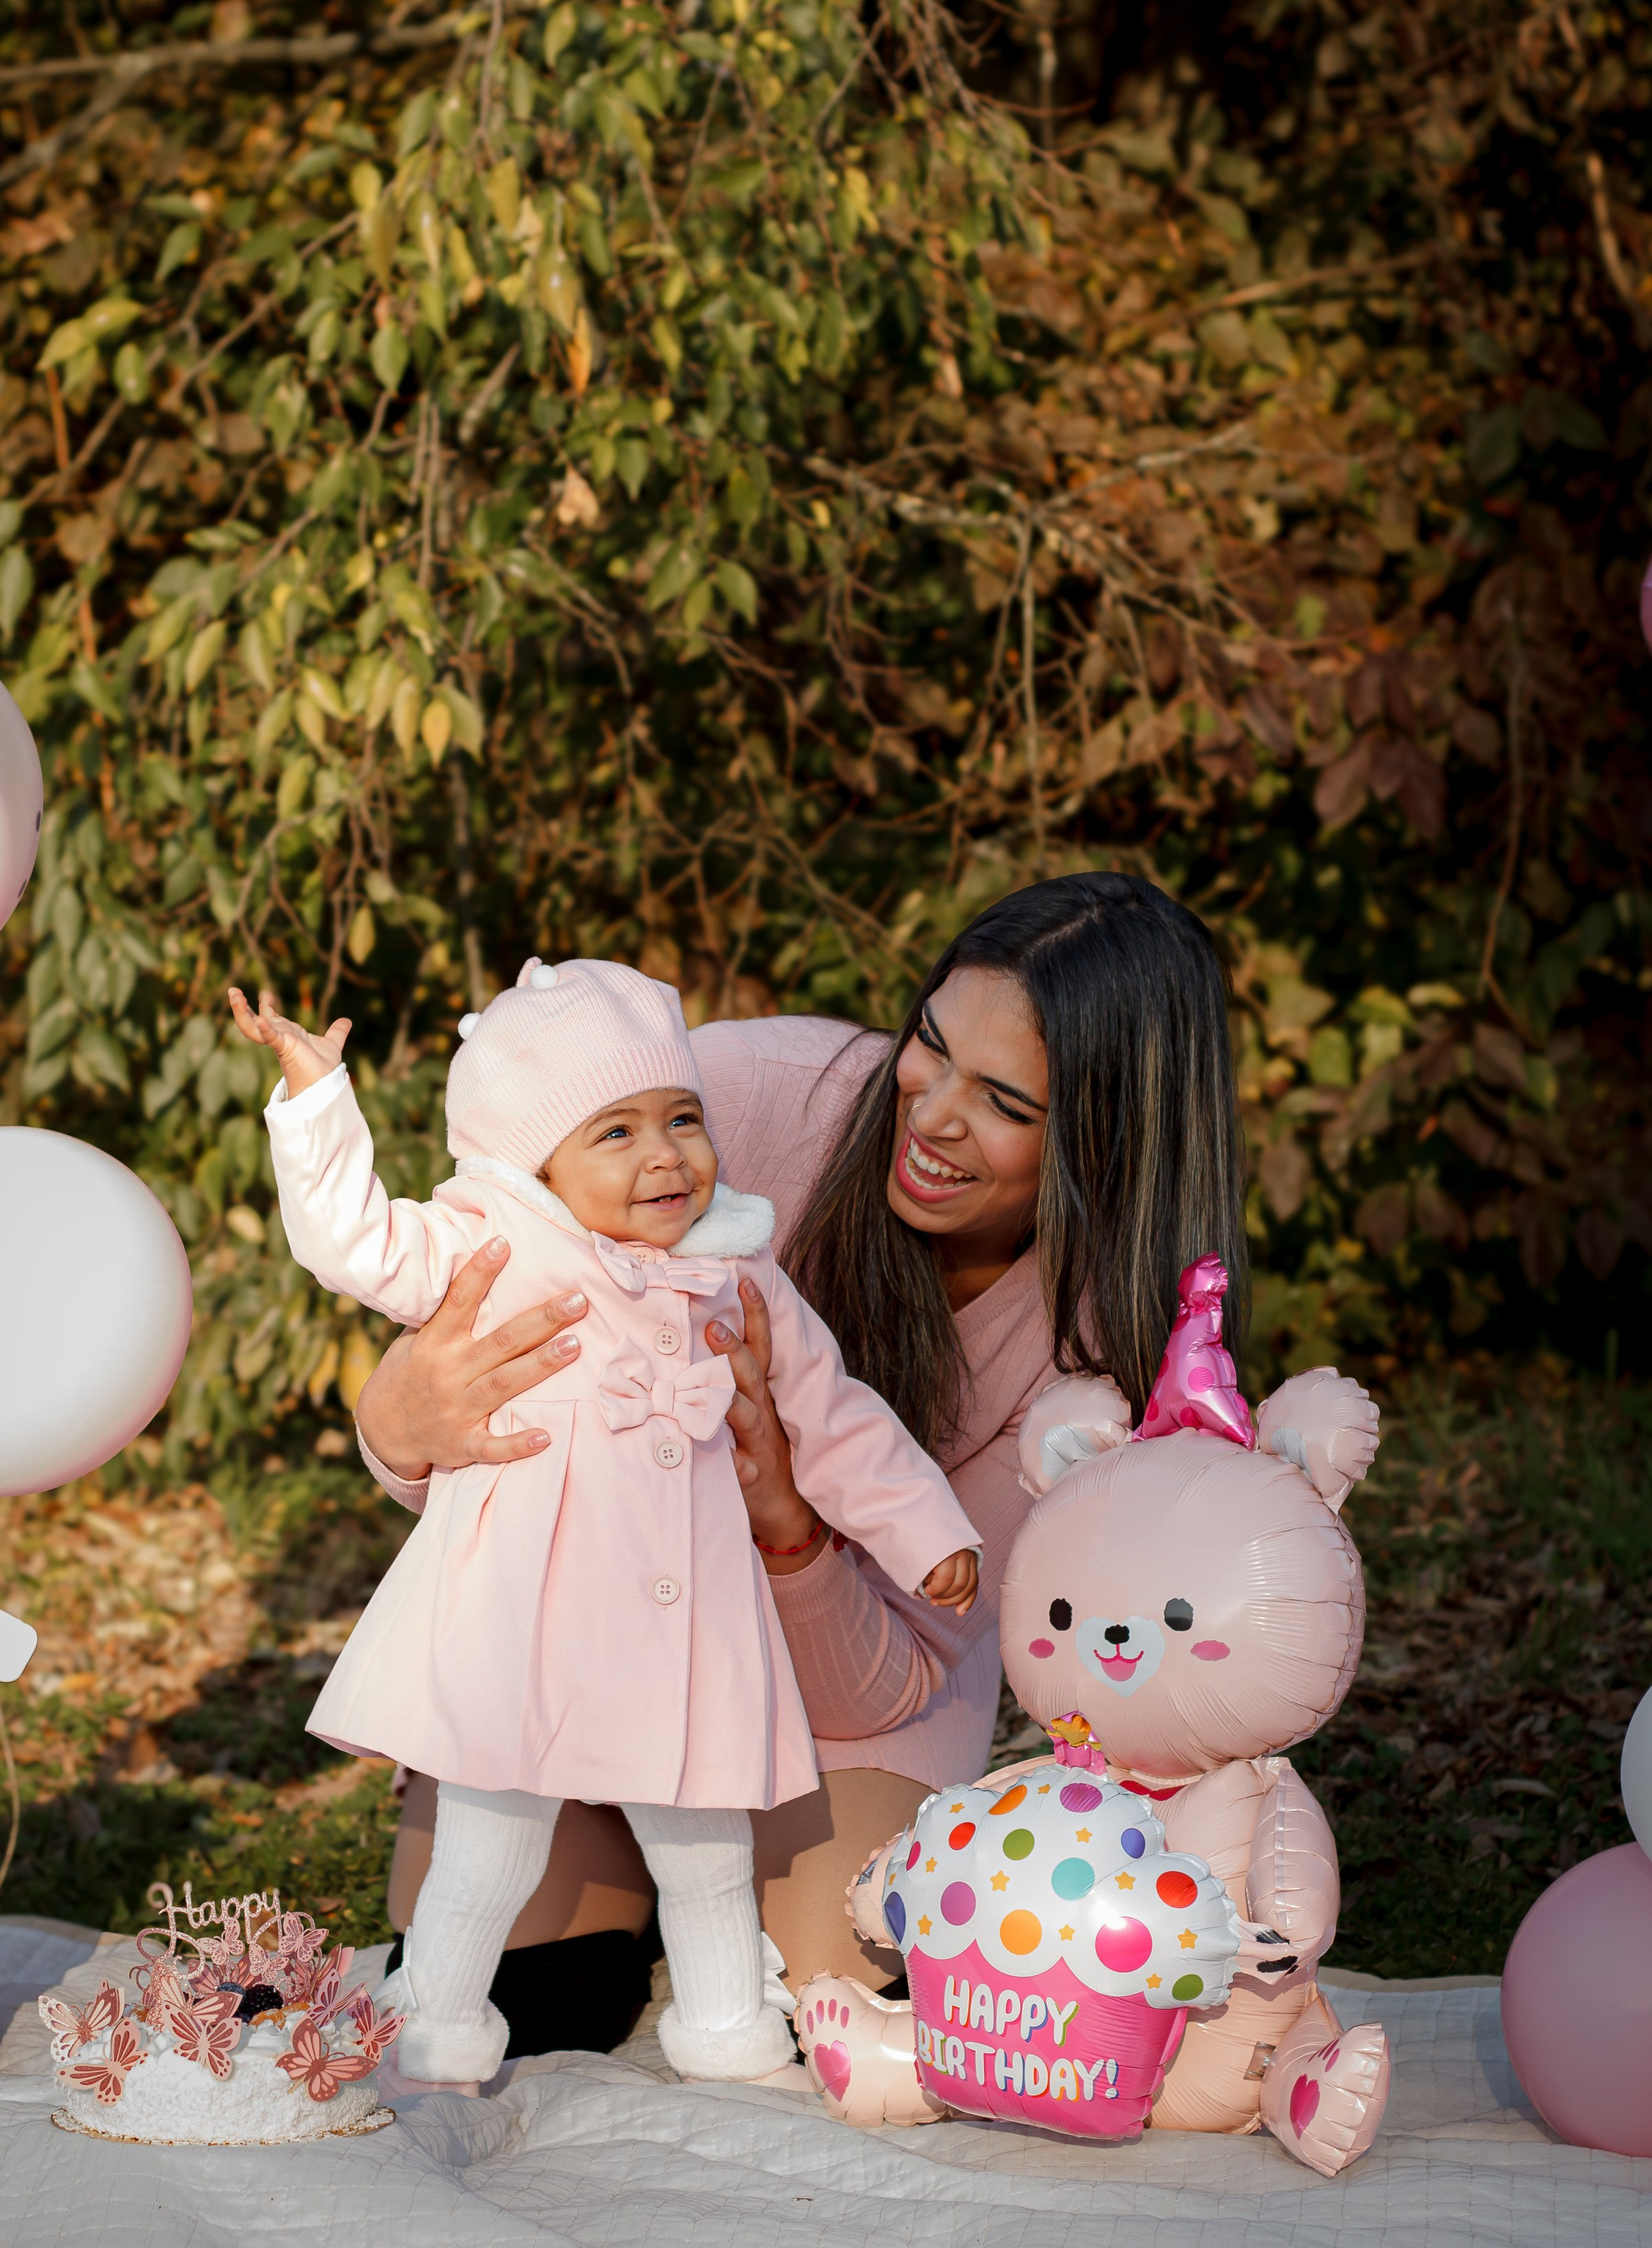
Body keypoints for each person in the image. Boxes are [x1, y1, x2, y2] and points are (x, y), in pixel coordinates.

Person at [353, 873, 1249, 2055]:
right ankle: (631, 1853)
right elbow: (475, 1329)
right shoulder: (726, 1099)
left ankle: (701, 1887)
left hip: (841, 1690)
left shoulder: (1096, 1358)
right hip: (583, 1619)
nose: (929, 1115)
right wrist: (401, 1422)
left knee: (837, 1967)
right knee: (526, 1988)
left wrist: (781, 1507)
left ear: (1104, 1135)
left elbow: (897, 1672)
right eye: (931, 1043)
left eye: (1006, 1102)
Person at [232, 955, 980, 2087]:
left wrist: (929, 1535)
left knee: (705, 1837)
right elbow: (357, 1242)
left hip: (685, 1626)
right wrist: (315, 1104)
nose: (665, 1156)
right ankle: (435, 2015)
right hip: (528, 1613)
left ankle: (727, 2023)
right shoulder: (496, 1242)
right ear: (535, 1160)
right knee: (492, 1836)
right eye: (615, 1134)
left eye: (680, 1119)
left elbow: (836, 1413)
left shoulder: (734, 1267)